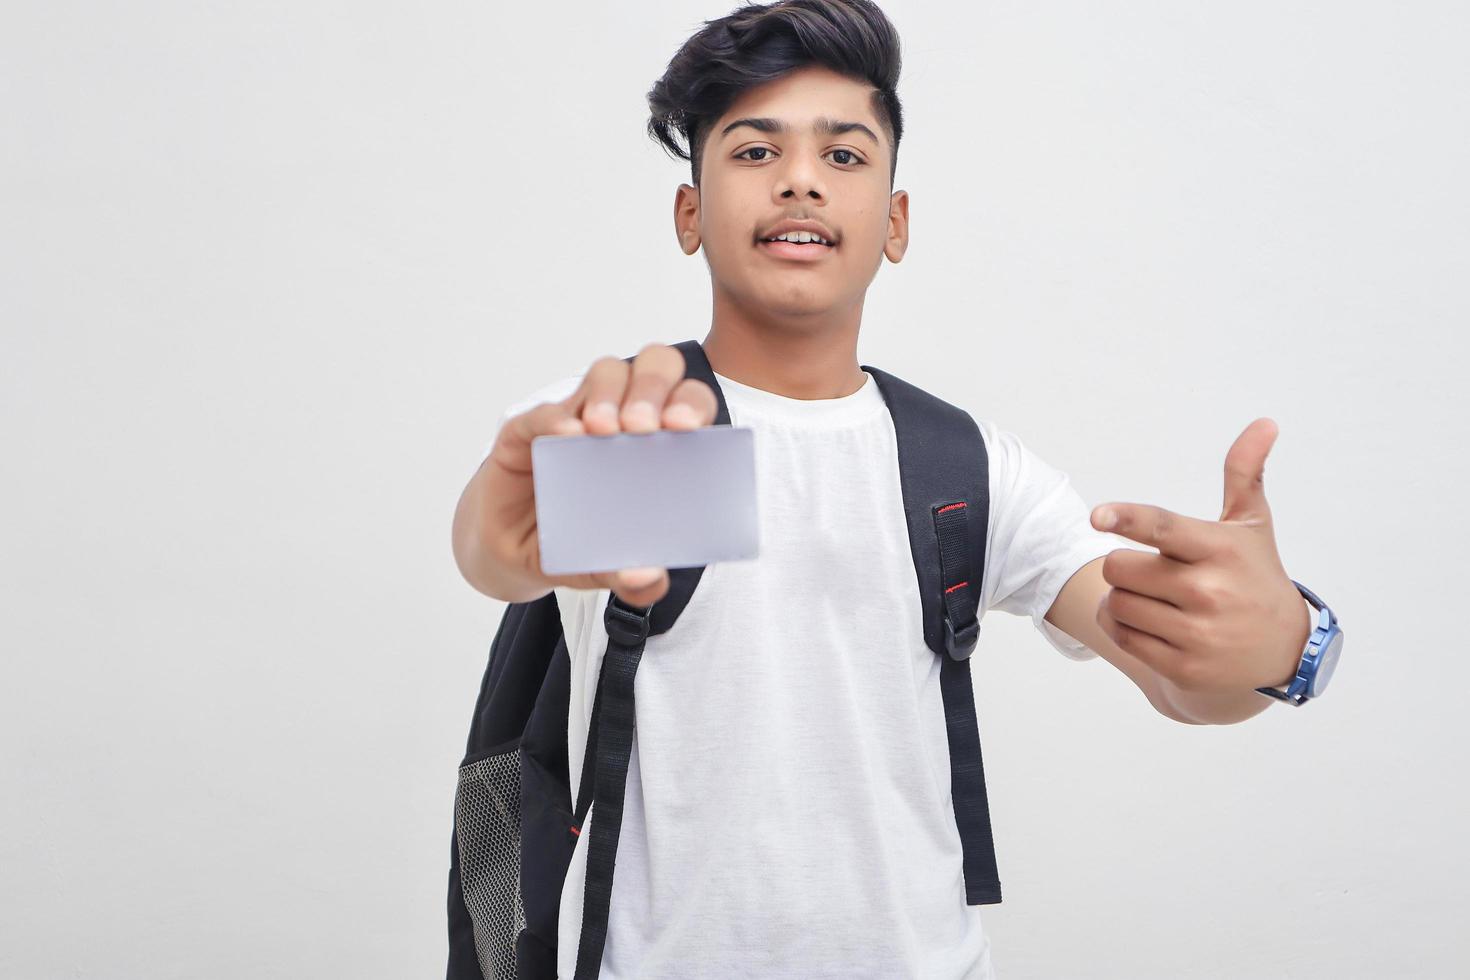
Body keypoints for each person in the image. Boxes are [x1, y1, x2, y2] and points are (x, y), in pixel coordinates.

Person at [451, 2, 1317, 976]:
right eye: (752, 150)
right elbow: (498, 558)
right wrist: (499, 521)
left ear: (895, 221)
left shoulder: (961, 463)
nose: (801, 178)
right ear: (689, 213)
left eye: (846, 154)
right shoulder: (624, 426)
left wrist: (1283, 644)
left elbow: (1175, 666)